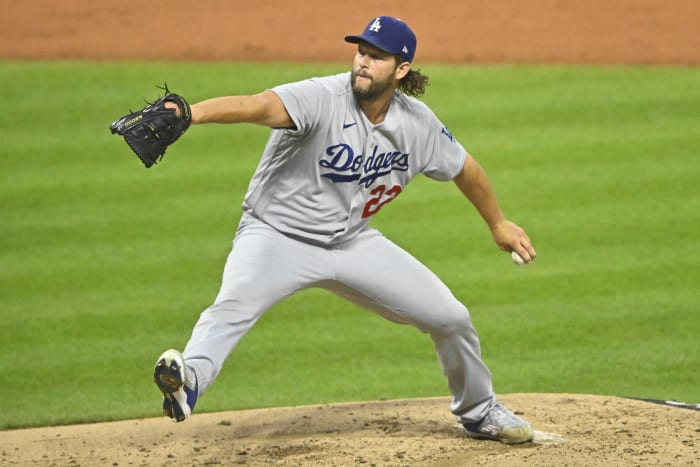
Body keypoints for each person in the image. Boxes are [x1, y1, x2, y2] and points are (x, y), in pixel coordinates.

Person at [153, 15, 537, 445]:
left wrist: (498, 222)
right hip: (276, 236)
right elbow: (258, 105)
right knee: (231, 308)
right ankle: (188, 382)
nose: (363, 62)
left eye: (376, 56)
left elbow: (466, 169)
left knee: (451, 317)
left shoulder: (418, 124)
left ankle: (479, 411)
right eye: (361, 52)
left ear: (402, 69)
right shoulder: (321, 96)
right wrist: (192, 114)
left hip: (352, 243)